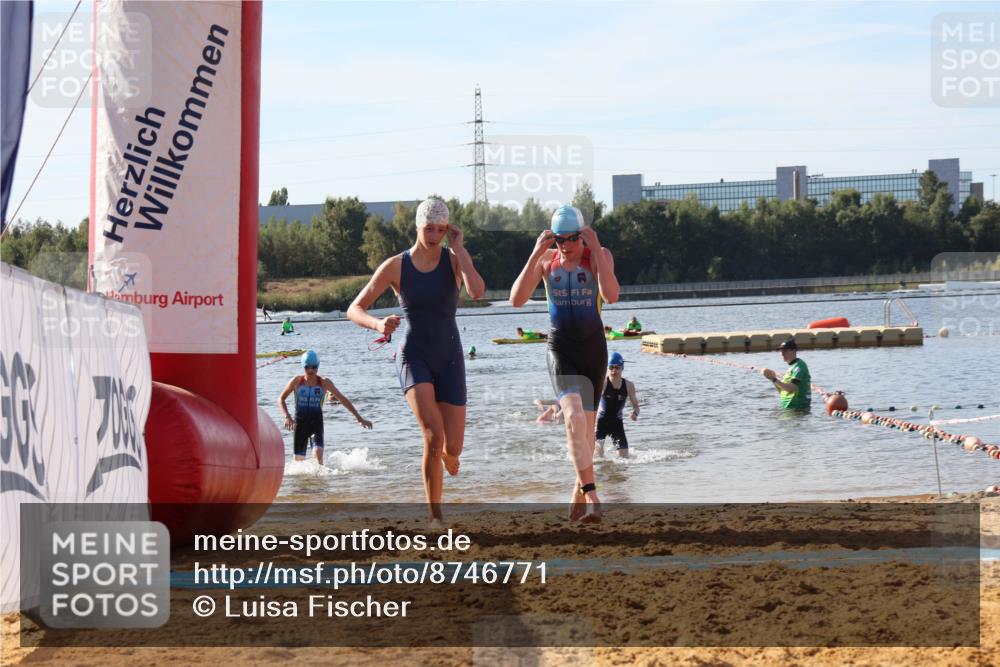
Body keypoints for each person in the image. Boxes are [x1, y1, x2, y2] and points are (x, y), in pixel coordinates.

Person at [347, 197, 485, 527]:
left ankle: (449, 458)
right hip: (414, 356)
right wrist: (379, 324)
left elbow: (477, 292)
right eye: (429, 228)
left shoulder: (453, 260)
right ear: (417, 226)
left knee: (453, 446)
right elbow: (354, 308)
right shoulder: (397, 265)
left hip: (450, 356)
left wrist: (461, 250)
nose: (435, 235)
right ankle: (435, 516)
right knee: (433, 436)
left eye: (441, 229)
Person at [510, 204, 620, 522]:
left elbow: (611, 295)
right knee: (572, 416)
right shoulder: (547, 260)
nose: (565, 247)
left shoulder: (599, 256)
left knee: (585, 432)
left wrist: (596, 249)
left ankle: (578, 489)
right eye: (558, 240)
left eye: (571, 239)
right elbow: (516, 300)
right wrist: (535, 254)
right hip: (561, 348)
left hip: (593, 350)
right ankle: (594, 496)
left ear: (583, 235)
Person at [278, 350, 372, 464]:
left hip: (316, 424)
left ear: (318, 367)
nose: (311, 370)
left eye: (314, 367)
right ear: (303, 367)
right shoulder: (296, 382)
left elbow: (343, 399)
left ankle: (320, 481)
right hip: (300, 426)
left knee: (318, 461)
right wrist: (287, 416)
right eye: (307, 367)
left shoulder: (324, 382)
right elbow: (281, 399)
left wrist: (359, 418)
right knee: (298, 463)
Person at [595, 352, 639, 459]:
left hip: (617, 424)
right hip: (601, 423)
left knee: (624, 458)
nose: (614, 370)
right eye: (611, 367)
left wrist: (635, 414)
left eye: (617, 367)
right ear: (607, 368)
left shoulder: (629, 385)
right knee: (598, 458)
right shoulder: (603, 383)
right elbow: (591, 402)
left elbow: (636, 407)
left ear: (622, 368)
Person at [761, 338, 812, 411]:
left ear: (793, 350)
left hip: (798, 410)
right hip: (788, 409)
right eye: (781, 351)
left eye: (784, 350)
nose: (781, 353)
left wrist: (774, 379)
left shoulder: (799, 366)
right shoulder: (791, 368)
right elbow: (782, 391)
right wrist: (771, 378)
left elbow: (791, 389)